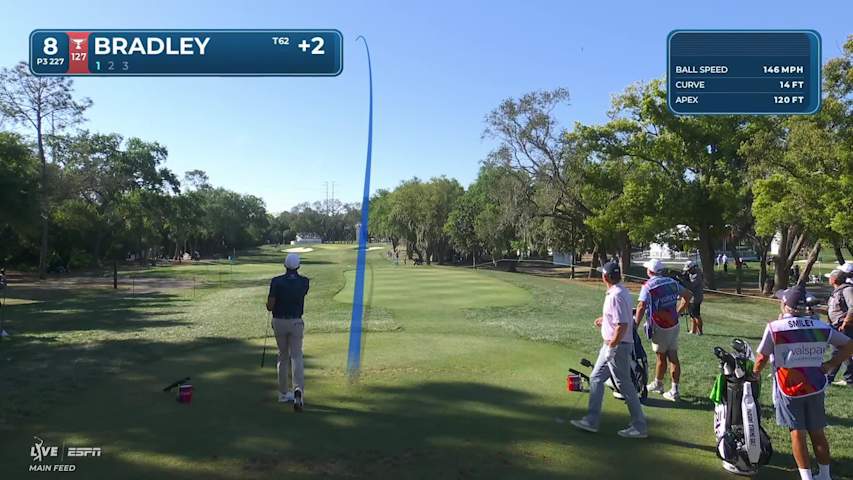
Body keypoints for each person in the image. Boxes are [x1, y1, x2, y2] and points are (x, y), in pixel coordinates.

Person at [753, 285, 853, 480]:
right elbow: (848, 345)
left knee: (797, 432)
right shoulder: (820, 327)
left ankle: (806, 477)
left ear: (785, 305)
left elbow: (761, 358)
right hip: (815, 384)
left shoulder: (775, 327)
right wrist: (830, 364)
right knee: (817, 431)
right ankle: (825, 476)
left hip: (788, 386)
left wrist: (755, 374)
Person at [570, 262, 648, 438]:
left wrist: (612, 347)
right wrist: (605, 321)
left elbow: (622, 325)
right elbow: (620, 318)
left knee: (624, 384)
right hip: (612, 344)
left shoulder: (616, 295)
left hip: (617, 346)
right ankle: (591, 420)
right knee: (596, 378)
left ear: (605, 277)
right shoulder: (619, 291)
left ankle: (639, 425)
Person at [635, 258, 692, 401]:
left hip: (660, 325)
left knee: (662, 356)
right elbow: (688, 295)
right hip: (673, 324)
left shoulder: (648, 286)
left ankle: (660, 385)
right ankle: (671, 388)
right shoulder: (672, 282)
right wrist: (678, 312)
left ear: (650, 271)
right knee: (673, 356)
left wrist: (635, 324)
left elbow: (642, 306)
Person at [266, 253, 310, 411]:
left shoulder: (276, 281)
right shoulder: (305, 282)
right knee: (297, 355)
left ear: (285, 265)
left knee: (283, 356)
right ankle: (298, 389)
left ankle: (284, 393)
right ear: (298, 266)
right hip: (296, 321)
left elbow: (270, 306)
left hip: (279, 322)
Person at [826, 269, 853, 386]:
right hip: (836, 326)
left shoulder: (847, 290)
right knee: (845, 353)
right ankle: (849, 378)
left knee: (838, 352)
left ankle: (828, 377)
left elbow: (852, 307)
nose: (828, 279)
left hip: (844, 327)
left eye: (829, 277)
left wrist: (845, 323)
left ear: (834, 279)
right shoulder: (836, 291)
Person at [682, 261, 705, 335]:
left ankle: (700, 332)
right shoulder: (691, 273)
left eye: (689, 270)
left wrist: (683, 281)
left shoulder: (697, 275)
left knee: (696, 315)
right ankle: (693, 330)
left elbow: (691, 286)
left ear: (693, 268)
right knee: (692, 315)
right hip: (691, 297)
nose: (688, 272)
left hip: (696, 298)